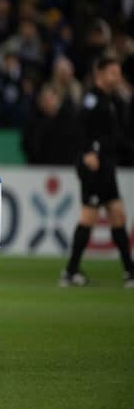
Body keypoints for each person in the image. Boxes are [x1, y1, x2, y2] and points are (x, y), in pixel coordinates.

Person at [60, 56, 134, 288]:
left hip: (107, 167)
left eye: (118, 72)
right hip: (94, 167)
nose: (117, 76)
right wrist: (86, 153)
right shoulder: (92, 99)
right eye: (113, 72)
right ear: (100, 74)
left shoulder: (112, 100)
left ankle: (129, 272)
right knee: (90, 216)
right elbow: (77, 129)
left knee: (117, 215)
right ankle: (71, 272)